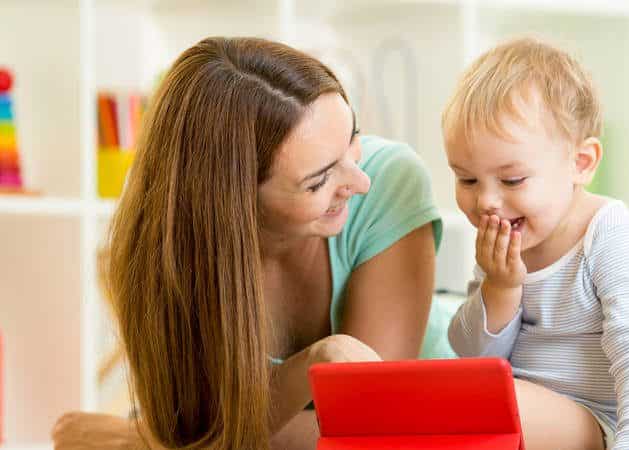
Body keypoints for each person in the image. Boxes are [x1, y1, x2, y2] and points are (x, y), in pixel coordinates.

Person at [51, 36, 453, 450]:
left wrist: (143, 440)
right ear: (234, 202)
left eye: (354, 136)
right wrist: (318, 358)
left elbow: (370, 428)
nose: (359, 180)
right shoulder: (167, 257)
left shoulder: (388, 182)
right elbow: (199, 426)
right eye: (318, 180)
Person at [442, 36, 629, 449]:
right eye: (467, 179)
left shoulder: (611, 238)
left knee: (480, 404)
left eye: (512, 179)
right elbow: (473, 357)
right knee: (458, 396)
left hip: (599, 423)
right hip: (522, 416)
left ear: (580, 163)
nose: (486, 202)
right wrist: (500, 288)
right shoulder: (506, 235)